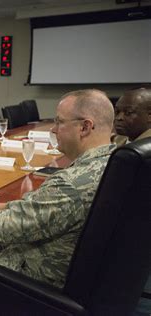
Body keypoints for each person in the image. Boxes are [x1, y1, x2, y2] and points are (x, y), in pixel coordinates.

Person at [0, 89, 116, 315]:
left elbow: (7, 230)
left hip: (45, 278)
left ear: (85, 127)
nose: (53, 129)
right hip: (87, 273)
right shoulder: (113, 163)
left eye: (59, 122)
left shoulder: (71, 183)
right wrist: (7, 206)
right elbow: (48, 209)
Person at [112, 87, 151, 315]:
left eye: (129, 112)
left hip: (123, 246)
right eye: (117, 112)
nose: (119, 118)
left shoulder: (137, 155)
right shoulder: (133, 142)